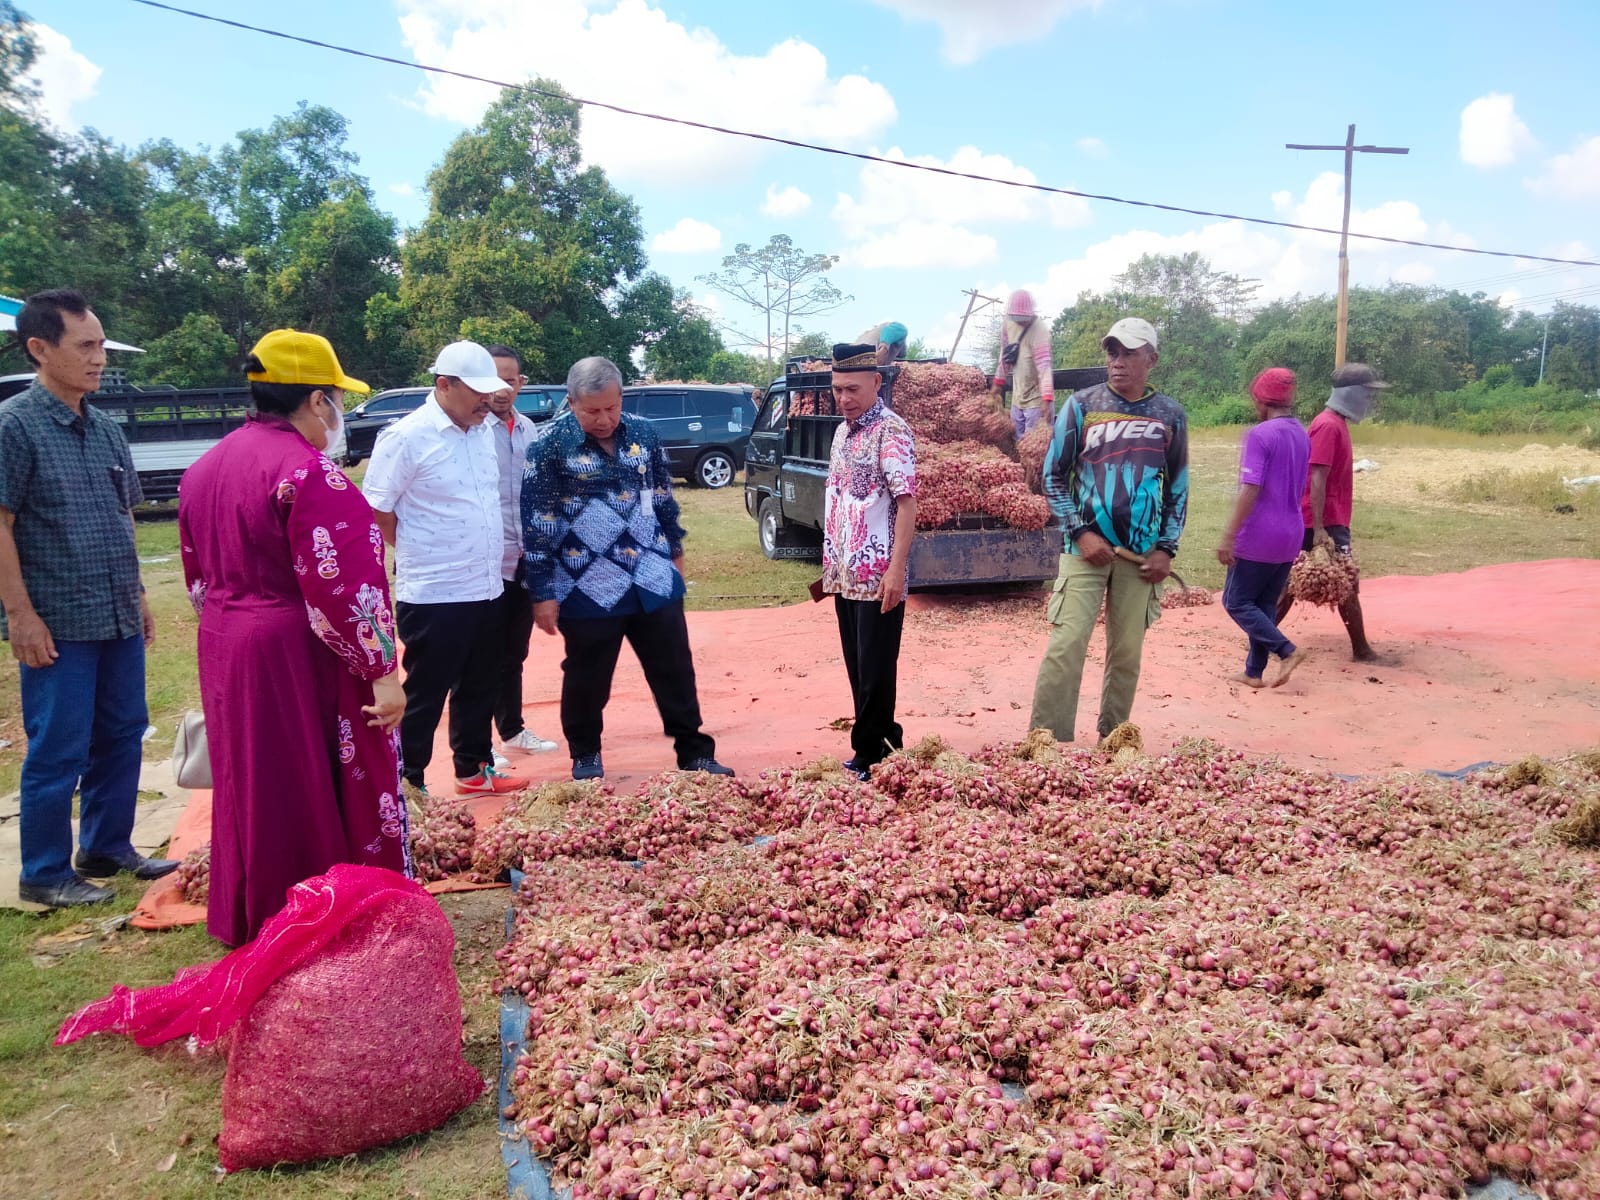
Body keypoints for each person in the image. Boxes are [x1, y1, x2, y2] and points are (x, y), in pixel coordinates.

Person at [179, 329, 410, 945]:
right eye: (335, 399)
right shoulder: (308, 473)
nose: (338, 413)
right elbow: (348, 589)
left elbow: (197, 578)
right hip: (293, 646)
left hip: (227, 642)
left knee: (252, 776)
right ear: (314, 401)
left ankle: (254, 910)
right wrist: (382, 670)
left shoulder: (204, 468)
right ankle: (319, 914)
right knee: (307, 776)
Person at [0, 289, 173, 909]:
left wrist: (140, 596)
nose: (100, 358)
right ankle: (44, 871)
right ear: (40, 349)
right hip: (58, 620)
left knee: (124, 731)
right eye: (86, 347)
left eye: (101, 345)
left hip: (117, 610)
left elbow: (123, 514)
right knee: (59, 746)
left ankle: (106, 846)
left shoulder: (102, 427)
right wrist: (19, 614)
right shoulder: (15, 427)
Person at [522, 356, 733, 782]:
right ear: (572, 402)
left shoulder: (643, 432)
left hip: (651, 574)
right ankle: (585, 755)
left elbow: (661, 496)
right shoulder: (547, 448)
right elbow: (537, 522)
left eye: (611, 408)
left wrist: (674, 550)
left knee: (674, 666)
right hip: (586, 582)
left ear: (621, 398)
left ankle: (694, 753)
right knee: (588, 674)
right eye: (592, 411)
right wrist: (541, 592)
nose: (604, 419)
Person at [363, 341, 530, 799]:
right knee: (426, 692)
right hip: (435, 591)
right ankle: (406, 782)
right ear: (444, 385)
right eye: (476, 391)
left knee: (481, 683)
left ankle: (473, 769)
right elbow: (377, 510)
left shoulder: (480, 432)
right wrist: (420, 547)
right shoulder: (406, 437)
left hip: (488, 584)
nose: (486, 400)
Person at [1030, 317, 1189, 743]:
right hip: (1082, 550)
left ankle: (1114, 738)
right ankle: (1047, 741)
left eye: (1129, 353)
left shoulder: (1170, 415)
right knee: (1066, 647)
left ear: (1151, 359)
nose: (1117, 362)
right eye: (1112, 352)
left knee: (1127, 654)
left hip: (1140, 556)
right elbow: (1052, 476)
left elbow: (1179, 487)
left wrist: (1166, 549)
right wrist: (1080, 533)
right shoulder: (1082, 405)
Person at [823, 343, 918, 779]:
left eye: (853, 389)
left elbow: (906, 503)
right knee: (857, 663)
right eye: (838, 389)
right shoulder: (843, 431)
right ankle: (877, 745)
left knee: (877, 666)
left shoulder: (891, 432)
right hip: (846, 572)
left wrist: (896, 569)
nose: (844, 398)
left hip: (878, 572)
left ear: (876, 383)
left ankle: (875, 753)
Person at [1276, 362, 1390, 662]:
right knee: (1341, 582)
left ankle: (1261, 638)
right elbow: (1316, 477)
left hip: (1326, 517)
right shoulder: (1328, 426)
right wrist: (1320, 528)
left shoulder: (1336, 423)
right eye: (1367, 394)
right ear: (1351, 393)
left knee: (1294, 580)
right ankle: (1361, 649)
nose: (1369, 401)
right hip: (1322, 519)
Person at [484, 345, 558, 765]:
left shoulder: (529, 430)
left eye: (509, 381)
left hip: (522, 559)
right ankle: (477, 746)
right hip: (483, 563)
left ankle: (511, 729)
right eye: (492, 380)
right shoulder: (472, 431)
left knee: (514, 651)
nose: (501, 390)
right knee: (479, 657)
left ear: (521, 384)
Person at [1215, 368, 1312, 688]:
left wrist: (1229, 535)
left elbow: (1251, 489)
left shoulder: (1259, 435)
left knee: (1236, 601)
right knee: (1265, 603)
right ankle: (1253, 672)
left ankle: (1286, 651)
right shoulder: (1301, 432)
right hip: (1291, 532)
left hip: (1260, 534)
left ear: (1260, 399)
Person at [991, 290, 1055, 440]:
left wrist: (1046, 399)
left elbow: (1044, 367)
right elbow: (1005, 355)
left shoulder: (1040, 331)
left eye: (1022, 318)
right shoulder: (1008, 323)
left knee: (1034, 445)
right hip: (1018, 397)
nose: (1018, 321)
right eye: (1015, 317)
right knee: (1018, 442)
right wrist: (998, 383)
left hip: (1036, 401)